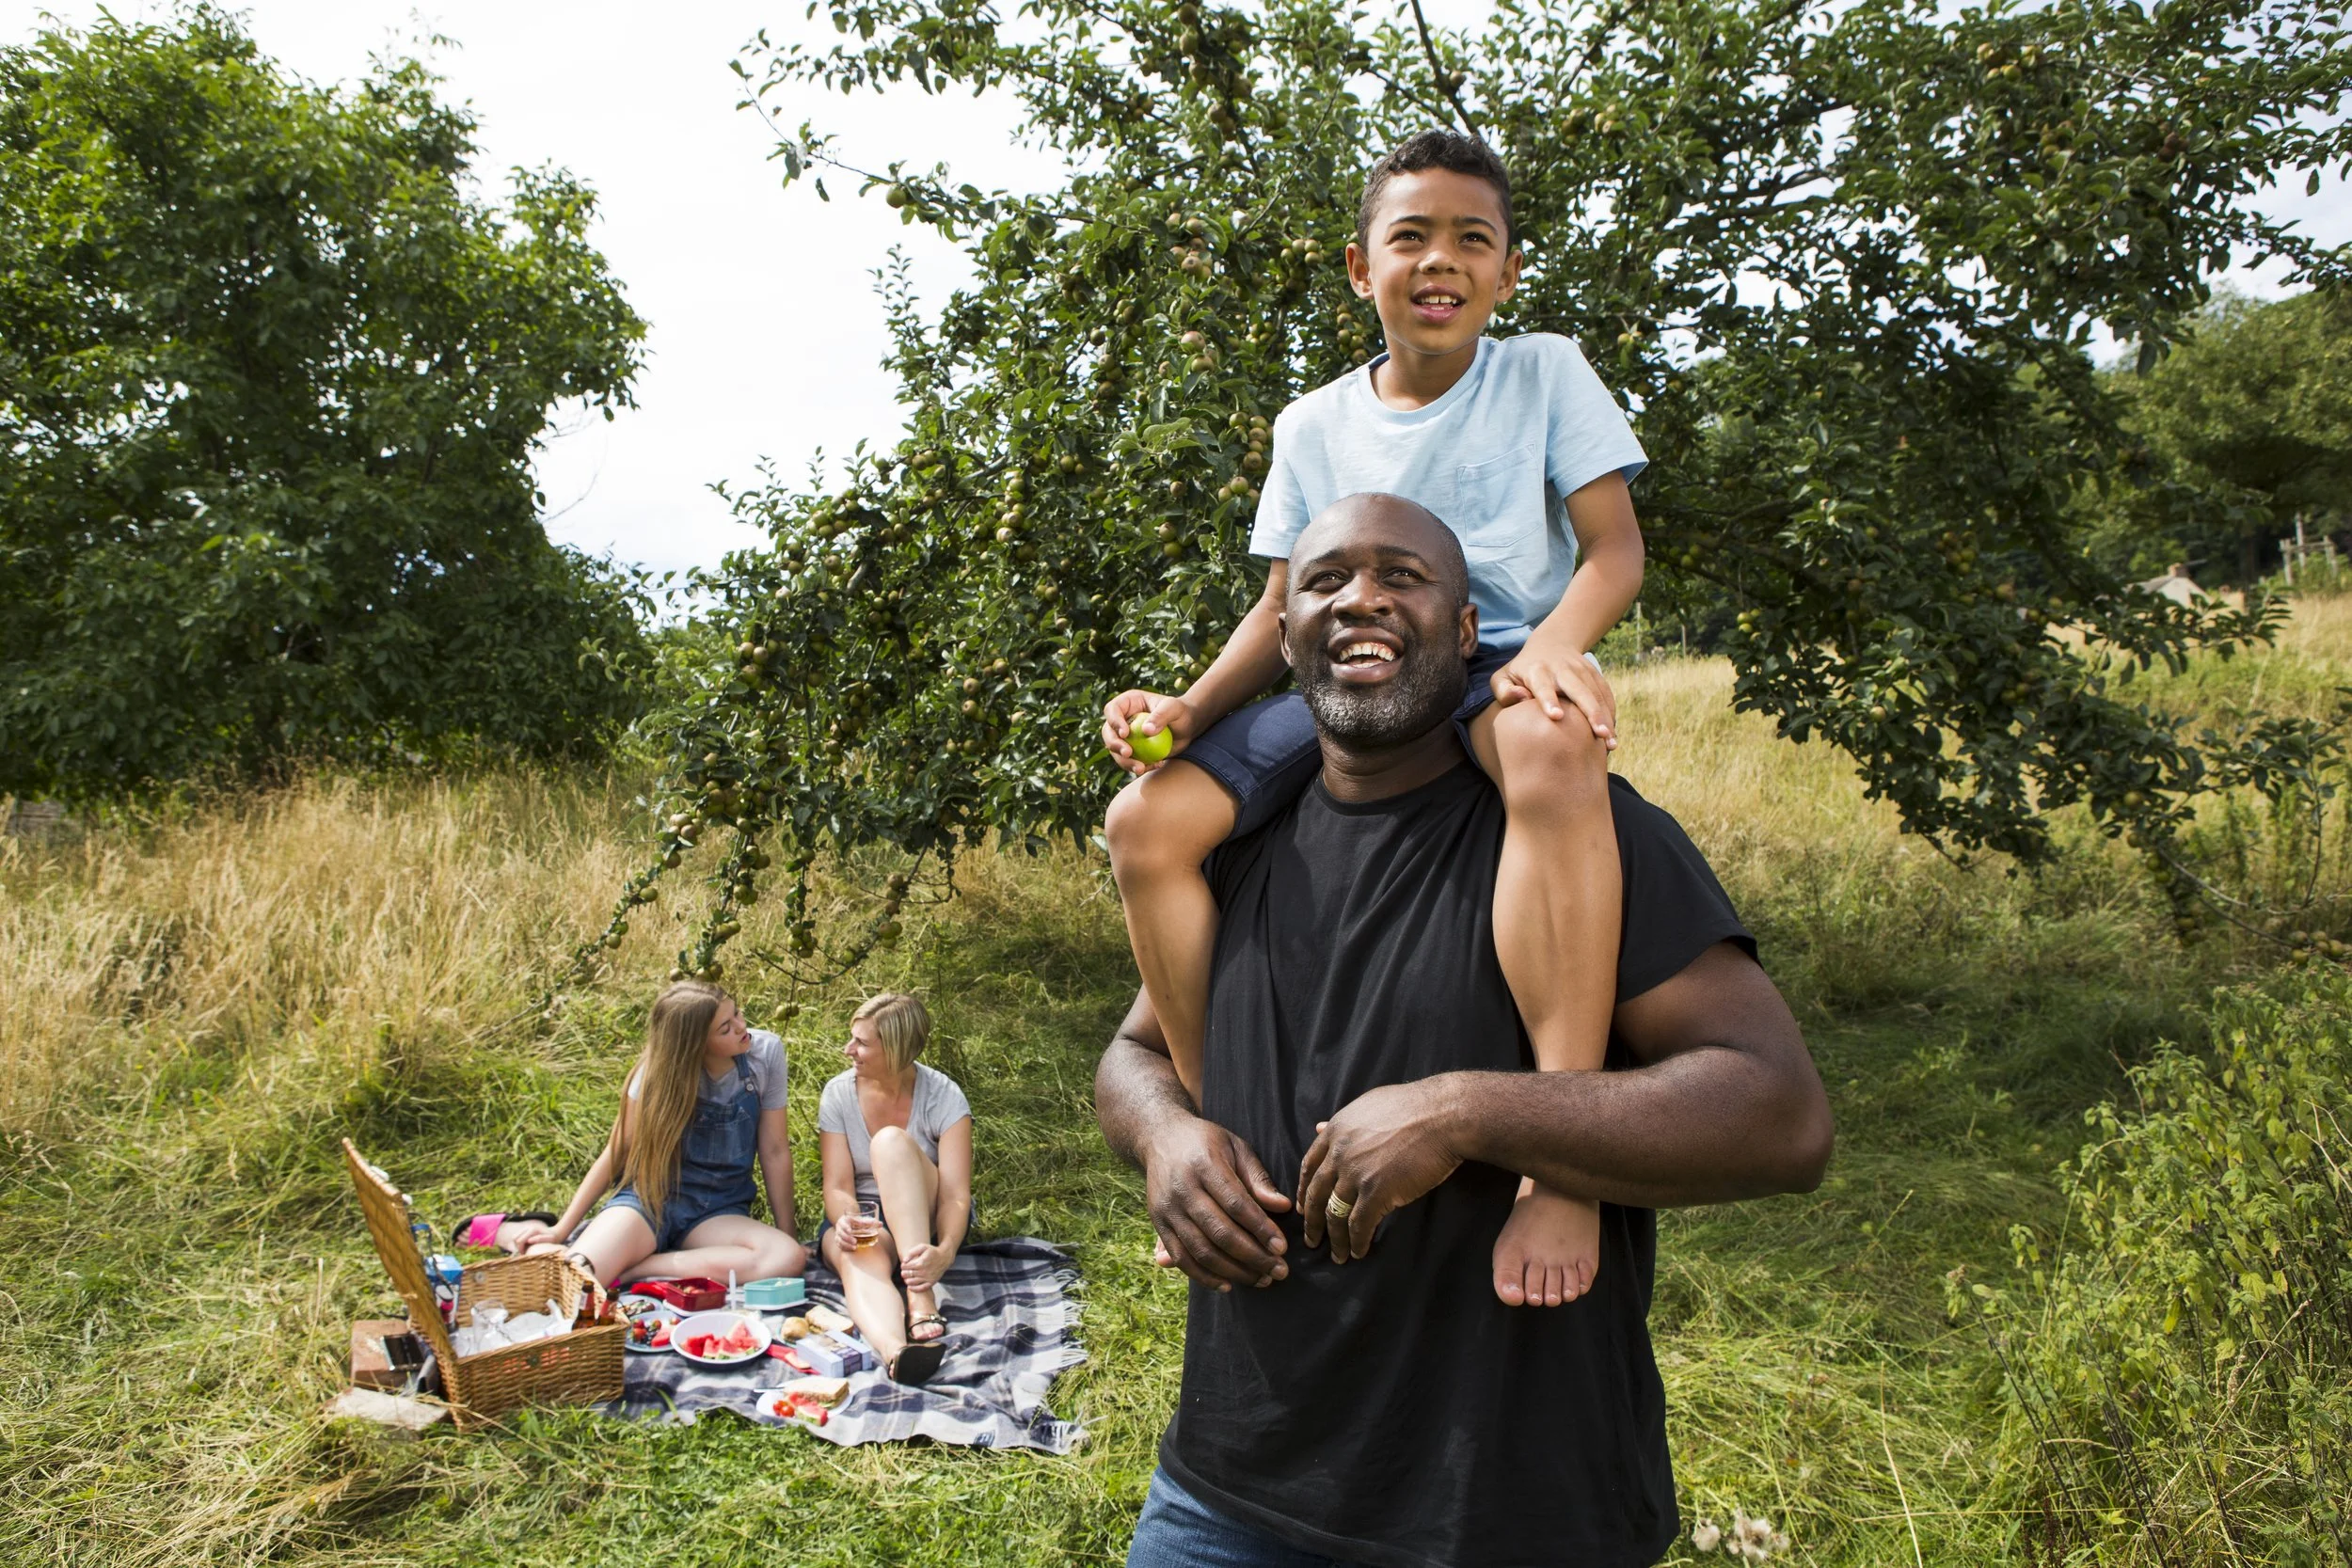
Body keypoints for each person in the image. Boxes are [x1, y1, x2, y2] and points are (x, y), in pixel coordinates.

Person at [1096, 493, 1834, 1568]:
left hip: (1505, 1509)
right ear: (1284, 632)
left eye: (1403, 577)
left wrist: (1469, 1108)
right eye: (1325, 581)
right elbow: (1137, 1055)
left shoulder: (1591, 838)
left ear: (1463, 630)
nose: (1361, 598)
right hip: (1226, 1492)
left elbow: (1779, 1115)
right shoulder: (1236, 841)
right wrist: (1167, 1137)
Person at [1101, 127, 1648, 1310]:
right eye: (1410, 236)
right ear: (1362, 268)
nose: (1438, 259)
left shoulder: (1545, 371)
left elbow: (1614, 550)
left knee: (1555, 751)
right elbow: (1273, 606)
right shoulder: (1311, 426)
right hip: (1344, 681)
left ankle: (1563, 1157)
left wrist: (1552, 651)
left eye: (1471, 238)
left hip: (1495, 655)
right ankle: (1224, 1141)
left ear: (1505, 271)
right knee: (1143, 822)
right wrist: (1188, 704)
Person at [513, 980, 804, 1288]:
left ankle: (638, 1268)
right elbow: (617, 1151)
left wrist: (789, 1234)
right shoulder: (655, 1073)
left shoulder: (765, 1053)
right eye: (725, 1028)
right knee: (571, 1283)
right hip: (651, 1201)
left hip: (719, 1210)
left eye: (737, 1014)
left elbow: (774, 1150)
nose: (742, 1027)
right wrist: (561, 1228)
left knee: (787, 1258)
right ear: (694, 1045)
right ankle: (527, 1235)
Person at [817, 992, 974, 1385]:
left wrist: (947, 1251)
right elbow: (837, 1185)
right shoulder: (838, 1094)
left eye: (862, 1043)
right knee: (854, 1256)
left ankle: (920, 1294)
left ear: (897, 1049)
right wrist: (846, 1219)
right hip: (868, 1216)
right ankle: (895, 1351)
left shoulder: (943, 1096)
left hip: (924, 1212)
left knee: (889, 1142)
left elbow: (956, 1194)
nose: (848, 1049)